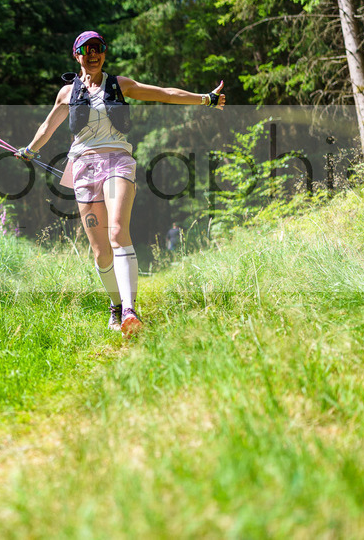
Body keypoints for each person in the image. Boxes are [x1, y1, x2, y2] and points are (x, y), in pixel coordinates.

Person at [16, 30, 225, 337]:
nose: (93, 53)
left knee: (117, 231)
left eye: (98, 47)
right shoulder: (66, 93)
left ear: (104, 53)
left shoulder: (119, 85)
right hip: (82, 168)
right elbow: (48, 126)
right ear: (76, 55)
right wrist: (30, 150)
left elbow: (165, 93)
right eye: (86, 49)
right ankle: (115, 306)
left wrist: (205, 99)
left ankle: (130, 311)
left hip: (118, 163)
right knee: (100, 252)